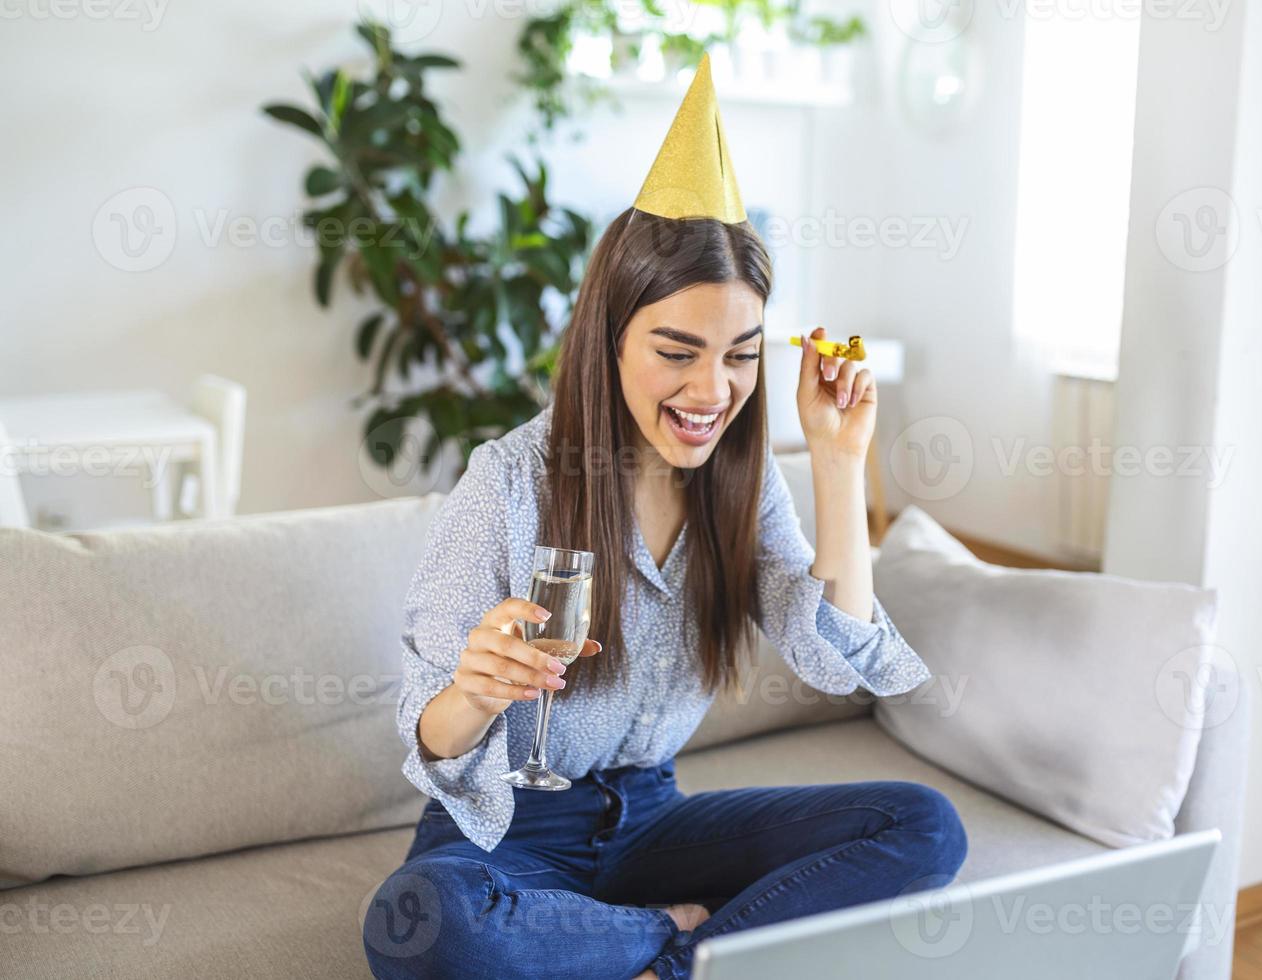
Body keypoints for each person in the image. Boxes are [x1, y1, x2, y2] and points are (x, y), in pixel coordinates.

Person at [363, 56, 966, 980]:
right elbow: (430, 734)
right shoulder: (510, 480)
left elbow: (834, 657)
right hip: (510, 828)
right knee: (425, 919)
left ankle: (654, 952)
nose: (711, 391)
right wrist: (474, 691)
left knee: (921, 825)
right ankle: (676, 939)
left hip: (651, 817)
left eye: (740, 357)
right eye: (676, 352)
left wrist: (840, 464)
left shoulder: (741, 478)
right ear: (610, 338)